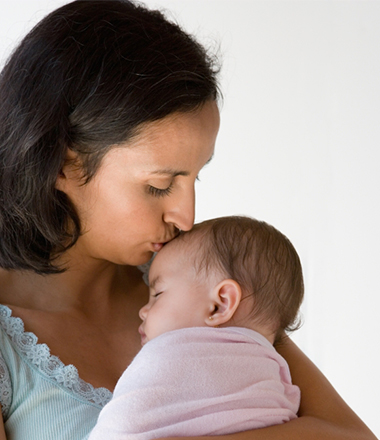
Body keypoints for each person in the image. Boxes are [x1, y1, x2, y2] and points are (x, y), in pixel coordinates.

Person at [0, 1, 376, 440]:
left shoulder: (202, 290)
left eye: (196, 176)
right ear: (62, 164)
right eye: (160, 185)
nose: (187, 216)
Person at [89, 215, 304, 439]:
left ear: (220, 305)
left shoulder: (167, 356)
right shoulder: (277, 371)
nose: (143, 311)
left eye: (158, 294)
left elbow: (120, 428)